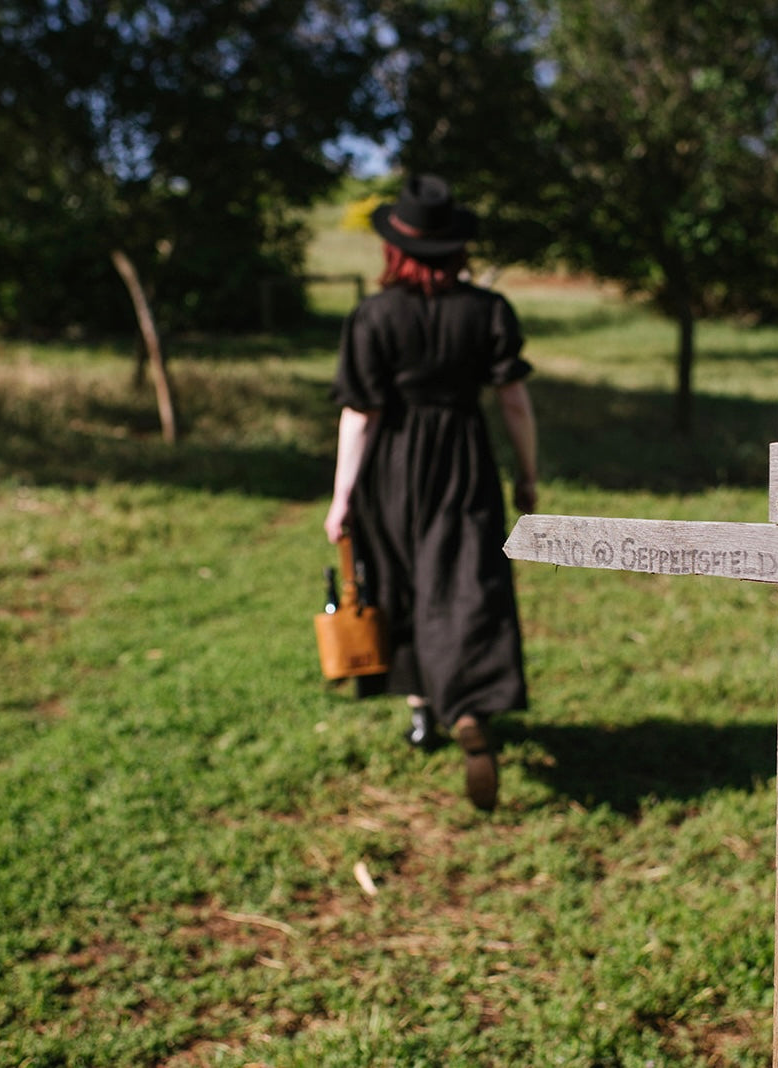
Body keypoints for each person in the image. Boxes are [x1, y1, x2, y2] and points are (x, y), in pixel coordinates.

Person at [323, 174, 538, 811]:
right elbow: (514, 401)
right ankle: (468, 707)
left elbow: (360, 414)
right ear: (456, 248)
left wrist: (341, 497)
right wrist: (527, 474)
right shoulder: (488, 310)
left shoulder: (373, 315)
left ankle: (422, 711)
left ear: (395, 248)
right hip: (465, 459)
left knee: (401, 580)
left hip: (391, 468)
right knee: (467, 579)